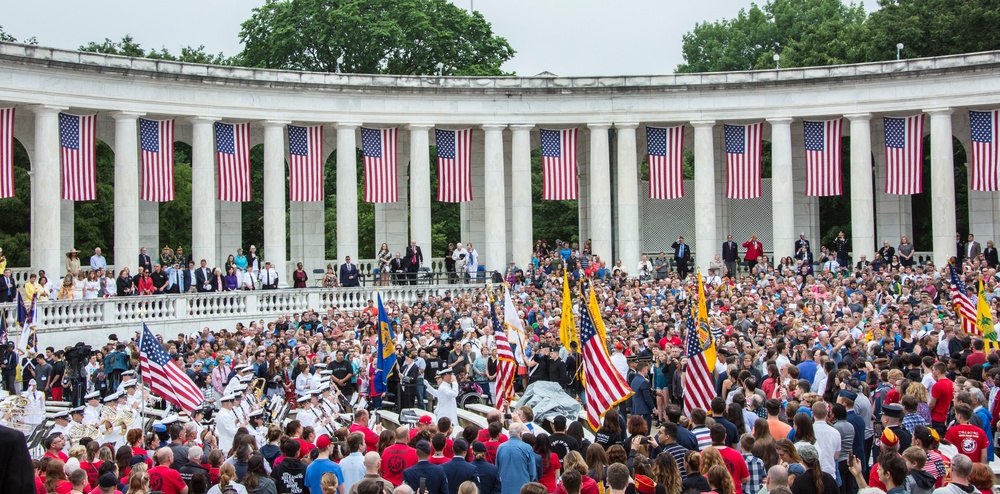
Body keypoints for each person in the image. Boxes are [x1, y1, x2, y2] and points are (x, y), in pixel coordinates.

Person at [495, 423, 537, 494]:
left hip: (505, 488)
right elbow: (532, 472)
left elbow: (497, 468)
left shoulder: (500, 448)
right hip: (523, 488)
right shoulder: (527, 448)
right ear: (520, 434)